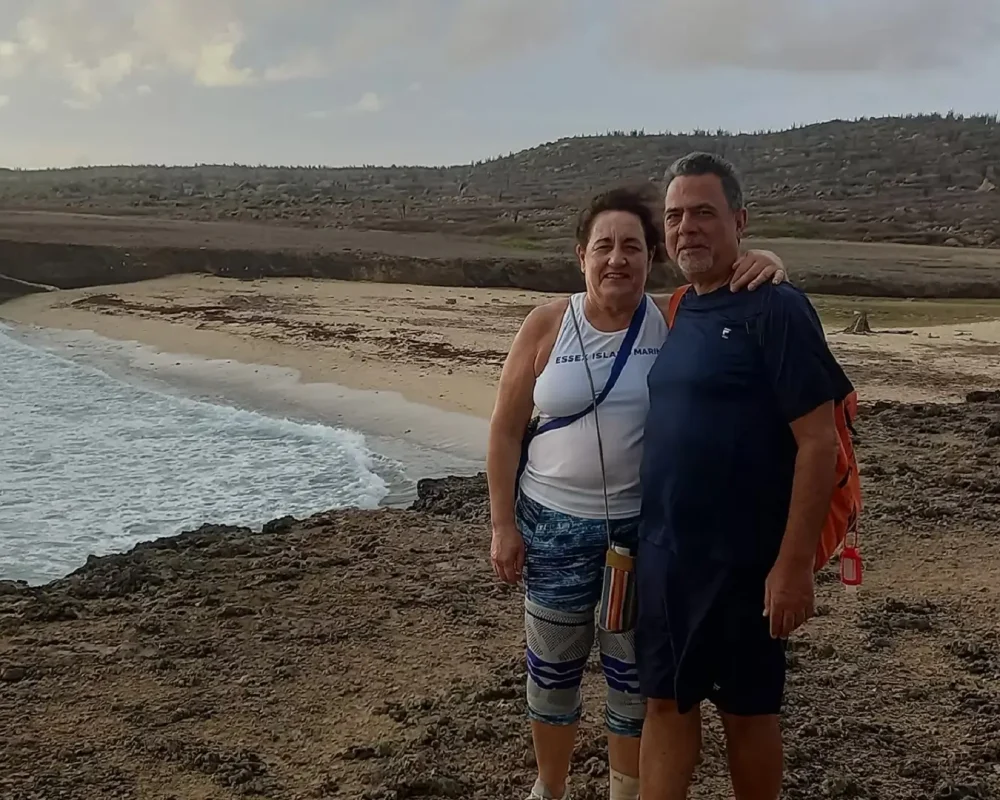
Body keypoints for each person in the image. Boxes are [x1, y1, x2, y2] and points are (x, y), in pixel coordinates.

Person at [487, 184, 788, 800]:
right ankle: (550, 789)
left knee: (633, 684)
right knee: (552, 675)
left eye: (631, 246)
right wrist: (502, 526)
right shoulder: (546, 323)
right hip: (551, 528)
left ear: (652, 258)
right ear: (582, 256)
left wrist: (771, 260)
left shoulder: (673, 316)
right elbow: (504, 429)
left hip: (642, 535)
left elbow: (732, 288)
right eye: (604, 246)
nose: (616, 259)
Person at [636, 153, 855, 800]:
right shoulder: (677, 309)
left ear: (739, 221)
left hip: (744, 566)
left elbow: (819, 444)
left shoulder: (777, 308)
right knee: (664, 705)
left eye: (704, 212)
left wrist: (793, 567)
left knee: (749, 715)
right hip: (664, 558)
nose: (687, 227)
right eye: (675, 216)